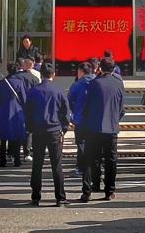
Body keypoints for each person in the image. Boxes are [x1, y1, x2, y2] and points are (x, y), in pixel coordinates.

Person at [24, 62, 71, 206]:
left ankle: (35, 196)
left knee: (37, 164)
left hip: (38, 131)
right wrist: (63, 129)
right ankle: (60, 197)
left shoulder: (33, 91)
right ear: (53, 74)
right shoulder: (59, 90)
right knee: (56, 164)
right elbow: (66, 112)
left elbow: (28, 112)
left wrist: (30, 128)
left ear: (41, 74)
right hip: (54, 130)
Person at [80, 57, 124, 202]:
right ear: (114, 69)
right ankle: (109, 191)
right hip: (111, 127)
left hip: (94, 126)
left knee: (90, 159)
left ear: (100, 68)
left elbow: (87, 106)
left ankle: (88, 190)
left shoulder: (94, 83)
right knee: (111, 161)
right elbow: (121, 108)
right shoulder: (118, 84)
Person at [67, 61, 96, 187]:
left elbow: (69, 101)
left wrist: (73, 114)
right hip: (95, 120)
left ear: (81, 72)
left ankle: (81, 167)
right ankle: (94, 169)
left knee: (81, 145)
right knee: (94, 145)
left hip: (80, 119)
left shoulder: (77, 85)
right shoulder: (98, 82)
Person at [0, 62, 29, 168]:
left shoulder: (1, 82)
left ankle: (2, 160)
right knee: (17, 136)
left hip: (4, 111)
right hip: (16, 111)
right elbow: (24, 99)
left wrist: (1, 108)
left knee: (3, 138)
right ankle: (17, 160)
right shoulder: (19, 83)